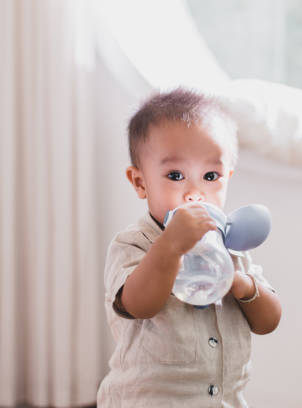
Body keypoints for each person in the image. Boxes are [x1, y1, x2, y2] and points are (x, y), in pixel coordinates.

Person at [97, 89, 282, 407]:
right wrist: (169, 248)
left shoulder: (232, 250)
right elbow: (139, 305)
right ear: (140, 182)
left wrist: (240, 282)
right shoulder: (134, 245)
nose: (195, 193)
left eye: (211, 176)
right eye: (175, 175)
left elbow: (269, 321)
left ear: (228, 177)